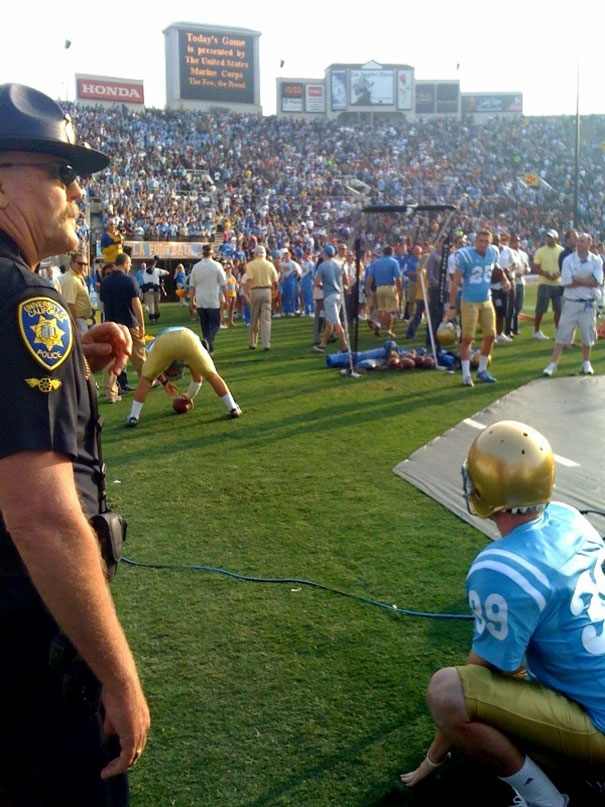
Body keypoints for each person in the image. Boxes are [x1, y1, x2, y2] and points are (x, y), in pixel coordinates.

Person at [0, 82, 149, 805]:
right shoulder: (27, 302)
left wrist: (70, 372)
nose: (76, 193)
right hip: (29, 654)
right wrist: (118, 674)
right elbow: (43, 516)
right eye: (59, 173)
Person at [400, 420, 605, 806]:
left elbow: (474, 678)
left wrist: (434, 754)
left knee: (446, 691)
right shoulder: (568, 517)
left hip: (600, 727)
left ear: (486, 489)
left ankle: (546, 799)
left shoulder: (501, 568)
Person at [125, 326, 242, 426]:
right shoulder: (188, 359)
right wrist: (189, 396)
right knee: (212, 375)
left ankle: (133, 416)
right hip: (188, 339)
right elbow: (197, 380)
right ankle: (233, 407)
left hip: (165, 341)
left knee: (146, 378)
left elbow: (150, 374)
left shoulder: (153, 348)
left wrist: (165, 382)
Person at [543, 232, 603, 377]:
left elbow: (597, 281)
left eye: (582, 241)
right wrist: (586, 281)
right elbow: (567, 283)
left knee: (587, 335)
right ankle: (553, 364)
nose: (579, 243)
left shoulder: (596, 260)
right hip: (571, 302)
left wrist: (578, 279)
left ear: (590, 243)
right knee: (562, 334)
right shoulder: (568, 260)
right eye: (578, 241)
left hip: (588, 303)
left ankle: (586, 362)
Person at [445, 230, 499, 386]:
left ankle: (482, 370)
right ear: (475, 242)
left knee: (490, 335)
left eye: (486, 241)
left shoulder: (493, 253)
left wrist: (504, 279)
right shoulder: (465, 255)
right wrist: (452, 305)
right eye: (480, 241)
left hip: (486, 299)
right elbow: (455, 282)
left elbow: (495, 269)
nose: (483, 244)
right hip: (469, 301)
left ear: (490, 242)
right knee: (467, 338)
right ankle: (466, 374)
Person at [100, 252, 146, 402]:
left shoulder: (105, 282)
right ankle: (145, 383)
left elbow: (103, 304)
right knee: (138, 356)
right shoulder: (130, 280)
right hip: (129, 322)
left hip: (111, 324)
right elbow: (136, 304)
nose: (130, 267)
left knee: (112, 359)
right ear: (125, 263)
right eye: (130, 264)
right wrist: (142, 324)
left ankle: (110, 392)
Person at [188, 244, 227, 353]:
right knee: (215, 323)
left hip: (201, 300)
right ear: (212, 253)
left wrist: (192, 301)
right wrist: (226, 298)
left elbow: (192, 287)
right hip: (213, 299)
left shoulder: (196, 267)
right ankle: (208, 340)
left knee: (204, 324)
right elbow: (223, 285)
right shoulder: (217, 266)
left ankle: (208, 347)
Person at [313, 245, 349, 353]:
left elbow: (316, 282)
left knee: (336, 322)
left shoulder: (322, 266)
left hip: (329, 295)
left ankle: (344, 346)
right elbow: (346, 280)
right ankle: (323, 344)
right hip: (339, 294)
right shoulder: (339, 265)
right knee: (330, 322)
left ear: (325, 254)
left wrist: (322, 286)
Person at [245, 245, 279, 351]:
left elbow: (249, 279)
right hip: (267, 290)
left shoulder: (251, 265)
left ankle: (253, 343)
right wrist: (274, 292)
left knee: (254, 318)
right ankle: (266, 344)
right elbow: (275, 282)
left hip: (255, 290)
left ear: (256, 254)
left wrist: (247, 294)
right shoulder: (270, 265)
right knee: (266, 319)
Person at [532, 229, 564, 340]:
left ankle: (558, 330)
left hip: (558, 283)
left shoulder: (561, 251)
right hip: (544, 283)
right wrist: (544, 273)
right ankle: (536, 331)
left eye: (550, 237)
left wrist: (558, 273)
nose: (548, 239)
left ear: (556, 238)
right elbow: (535, 267)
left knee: (559, 309)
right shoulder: (540, 251)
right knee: (540, 308)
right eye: (547, 237)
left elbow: (565, 266)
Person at [365, 245, 402, 338]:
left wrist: (367, 288)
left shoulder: (376, 263)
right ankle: (388, 330)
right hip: (389, 287)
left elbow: (370, 277)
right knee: (390, 310)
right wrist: (400, 289)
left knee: (381, 309)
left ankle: (378, 324)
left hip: (379, 288)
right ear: (392, 253)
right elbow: (398, 278)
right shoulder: (394, 262)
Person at [61, 250, 93, 333]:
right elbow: (69, 304)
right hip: (77, 320)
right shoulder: (71, 279)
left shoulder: (78, 277)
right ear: (71, 263)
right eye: (79, 263)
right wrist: (75, 326)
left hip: (81, 319)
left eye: (85, 264)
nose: (82, 266)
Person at [140, 255, 168, 324]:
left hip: (148, 290)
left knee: (151, 305)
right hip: (156, 290)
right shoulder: (157, 270)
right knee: (156, 305)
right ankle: (156, 317)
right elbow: (167, 272)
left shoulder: (144, 272)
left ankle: (152, 319)